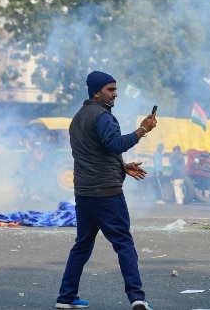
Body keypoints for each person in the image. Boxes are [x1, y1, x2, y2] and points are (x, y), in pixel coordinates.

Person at [55, 71, 157, 310]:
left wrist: (122, 166)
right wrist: (143, 129)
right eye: (110, 90)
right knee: (124, 244)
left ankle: (65, 297)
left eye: (115, 89)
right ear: (96, 92)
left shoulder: (78, 118)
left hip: (84, 194)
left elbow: (93, 155)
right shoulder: (102, 117)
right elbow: (115, 144)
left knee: (82, 245)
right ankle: (137, 298)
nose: (115, 94)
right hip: (107, 194)